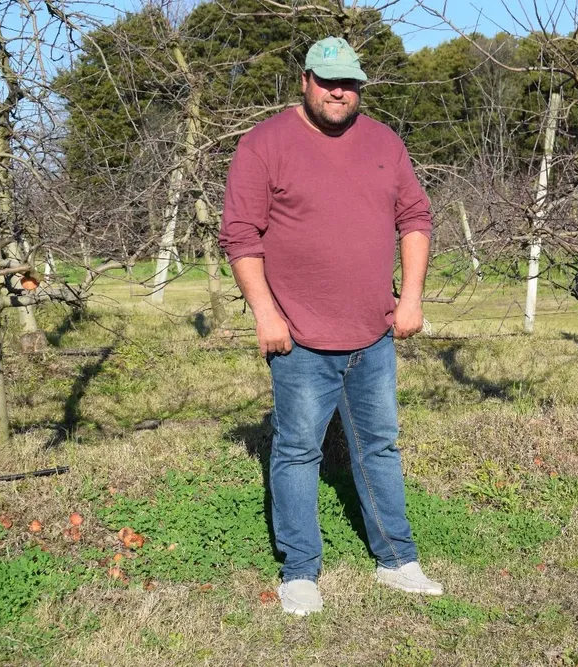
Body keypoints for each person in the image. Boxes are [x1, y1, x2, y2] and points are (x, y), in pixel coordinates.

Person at [219, 36, 442, 615]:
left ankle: (397, 559)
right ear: (305, 80)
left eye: (350, 83)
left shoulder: (384, 142)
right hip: (298, 339)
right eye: (328, 81)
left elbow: (415, 216)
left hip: (373, 334)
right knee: (296, 452)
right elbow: (240, 235)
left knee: (380, 448)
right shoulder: (264, 144)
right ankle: (300, 571)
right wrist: (266, 314)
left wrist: (411, 298)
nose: (339, 92)